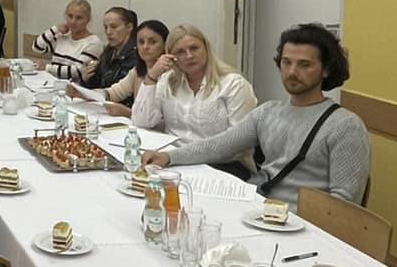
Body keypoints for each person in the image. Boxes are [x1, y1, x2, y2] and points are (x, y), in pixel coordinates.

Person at [144, 22, 370, 207]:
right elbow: (218, 146)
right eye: (286, 63)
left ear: (326, 69)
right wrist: (168, 157)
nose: (292, 72)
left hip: (304, 225)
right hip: (258, 208)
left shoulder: (345, 125)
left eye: (304, 65)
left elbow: (344, 204)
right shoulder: (267, 113)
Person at [131, 23, 257, 139]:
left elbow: (240, 139)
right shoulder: (167, 81)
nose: (189, 56)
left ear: (206, 49)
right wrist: (152, 76)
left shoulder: (233, 84)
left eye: (194, 48)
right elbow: (141, 122)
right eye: (180, 52)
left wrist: (187, 154)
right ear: (170, 56)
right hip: (171, 152)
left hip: (216, 155)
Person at [69, 15, 168, 111]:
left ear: (165, 44)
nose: (145, 47)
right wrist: (82, 93)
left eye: (152, 42)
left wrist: (127, 113)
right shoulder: (137, 71)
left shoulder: (170, 74)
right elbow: (112, 93)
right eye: (141, 42)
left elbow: (162, 118)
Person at [32, 0, 102, 83]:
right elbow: (37, 47)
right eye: (70, 16)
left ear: (87, 20)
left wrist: (47, 67)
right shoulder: (62, 36)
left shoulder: (94, 43)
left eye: (79, 18)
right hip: (51, 83)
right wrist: (55, 29)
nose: (73, 21)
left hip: (74, 87)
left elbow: (77, 70)